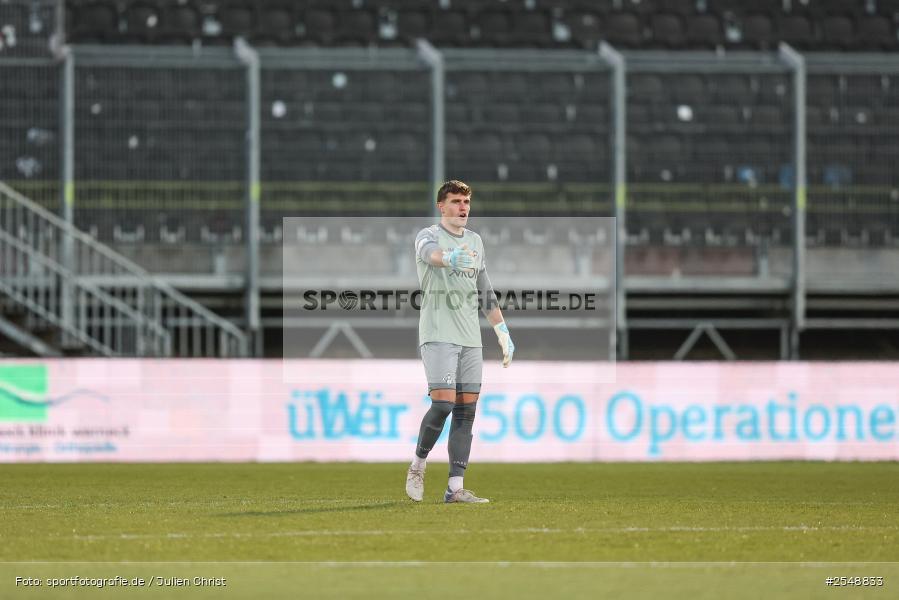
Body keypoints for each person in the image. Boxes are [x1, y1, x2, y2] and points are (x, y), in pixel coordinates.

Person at [405, 180, 514, 504]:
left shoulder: (476, 242)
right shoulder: (427, 235)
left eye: (466, 201)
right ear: (442, 206)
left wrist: (502, 332)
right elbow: (430, 254)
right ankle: (418, 465)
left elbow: (485, 290)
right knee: (443, 404)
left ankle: (455, 488)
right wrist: (450, 257)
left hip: (470, 338)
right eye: (456, 201)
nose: (463, 207)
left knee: (467, 412)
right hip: (438, 333)